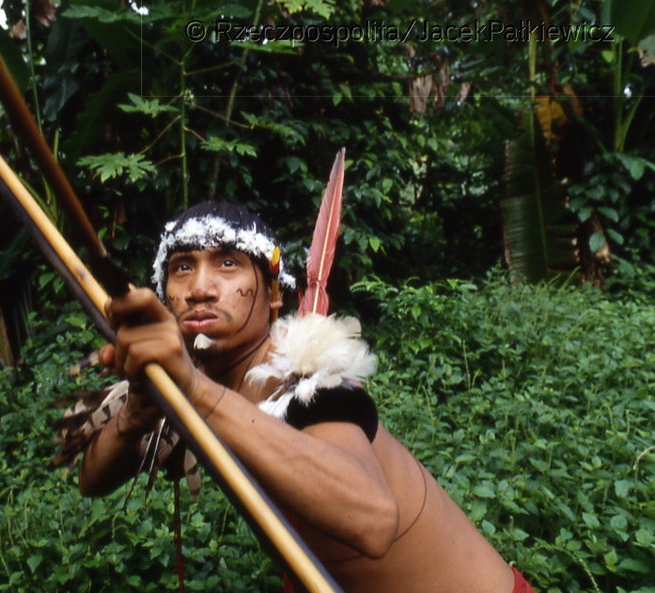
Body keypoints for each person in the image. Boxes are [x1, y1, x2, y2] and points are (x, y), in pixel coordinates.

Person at [74, 201, 535, 593]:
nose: (199, 288)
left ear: (274, 293)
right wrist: (138, 410)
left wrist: (196, 393)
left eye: (228, 263)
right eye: (182, 268)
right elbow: (92, 478)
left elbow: (371, 521)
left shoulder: (307, 377)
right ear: (165, 293)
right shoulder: (204, 385)